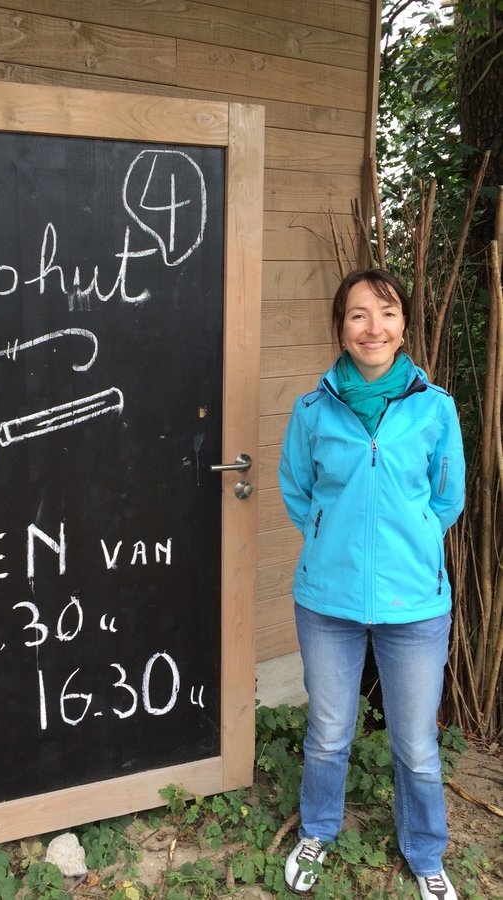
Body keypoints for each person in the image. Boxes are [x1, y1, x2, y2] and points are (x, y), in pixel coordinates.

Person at [278, 269, 465, 899]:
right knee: (329, 733)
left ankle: (426, 853)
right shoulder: (312, 411)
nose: (373, 328)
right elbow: (298, 490)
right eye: (358, 315)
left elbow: (446, 497)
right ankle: (318, 831)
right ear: (340, 327)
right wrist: (330, 538)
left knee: (416, 744)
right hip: (327, 601)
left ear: (403, 325)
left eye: (386, 313)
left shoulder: (435, 408)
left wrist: (413, 539)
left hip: (414, 603)